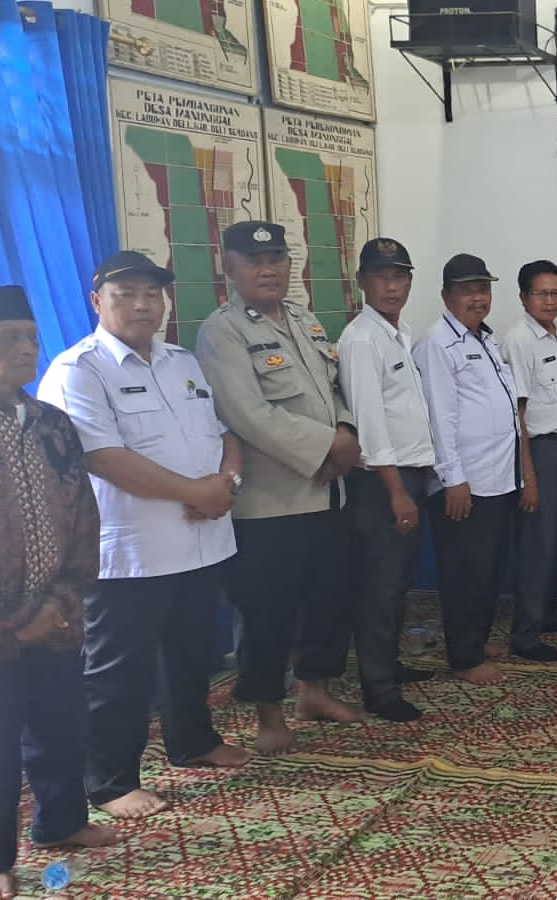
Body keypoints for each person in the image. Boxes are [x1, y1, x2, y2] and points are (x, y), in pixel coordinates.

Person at [36, 252, 250, 821]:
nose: (141, 305)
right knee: (118, 672)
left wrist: (226, 483)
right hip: (130, 552)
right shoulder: (78, 370)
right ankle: (110, 781)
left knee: (192, 654)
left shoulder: (181, 361)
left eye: (152, 294)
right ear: (97, 302)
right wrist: (195, 492)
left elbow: (224, 434)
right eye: (126, 293)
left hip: (201, 541)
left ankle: (193, 741)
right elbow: (104, 458)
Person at [195, 221, 364, 755]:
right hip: (270, 505)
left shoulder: (304, 320)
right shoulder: (222, 332)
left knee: (330, 600)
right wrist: (328, 446)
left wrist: (346, 431)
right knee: (267, 613)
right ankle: (268, 714)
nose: (268, 270)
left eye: (277, 260)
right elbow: (246, 414)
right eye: (254, 261)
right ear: (230, 268)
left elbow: (334, 391)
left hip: (327, 492)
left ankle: (314, 692)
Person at [0, 285, 119, 900]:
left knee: (61, 725)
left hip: (55, 615)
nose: (25, 348)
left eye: (31, 337)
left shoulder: (52, 425)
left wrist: (63, 598)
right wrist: (12, 619)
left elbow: (83, 515)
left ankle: (61, 822)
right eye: (8, 338)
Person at [416, 253, 546, 680]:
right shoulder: (438, 343)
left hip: (498, 479)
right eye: (467, 290)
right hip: (466, 482)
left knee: (488, 569)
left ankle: (476, 638)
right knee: (464, 573)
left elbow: (508, 413)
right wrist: (453, 479)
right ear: (445, 296)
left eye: (483, 289)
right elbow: (440, 417)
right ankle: (464, 657)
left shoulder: (483, 340)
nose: (478, 298)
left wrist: (522, 475)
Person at [336, 238, 439, 721]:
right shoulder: (361, 339)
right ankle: (377, 688)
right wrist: (397, 492)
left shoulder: (399, 333)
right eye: (381, 277)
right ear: (362, 282)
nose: (392, 286)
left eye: (400, 276)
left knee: (398, 583)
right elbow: (370, 425)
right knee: (380, 587)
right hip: (383, 485)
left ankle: (389, 665)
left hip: (410, 477)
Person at [503, 260, 557, 634]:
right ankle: (527, 630)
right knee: (540, 542)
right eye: (541, 294)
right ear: (524, 297)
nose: (550, 301)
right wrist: (529, 475)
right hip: (541, 451)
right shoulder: (519, 340)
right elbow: (517, 413)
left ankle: (547, 612)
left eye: (556, 293)